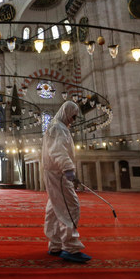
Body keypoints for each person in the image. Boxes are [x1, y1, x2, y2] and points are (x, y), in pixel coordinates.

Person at [41, 101, 91, 263]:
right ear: (66, 112)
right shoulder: (58, 128)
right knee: (71, 206)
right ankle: (71, 247)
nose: (73, 120)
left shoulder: (58, 126)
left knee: (55, 207)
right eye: (73, 116)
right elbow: (57, 150)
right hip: (59, 173)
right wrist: (68, 169)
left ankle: (55, 244)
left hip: (55, 172)